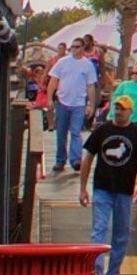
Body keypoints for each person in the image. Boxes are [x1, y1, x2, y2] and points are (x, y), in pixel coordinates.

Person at [80, 100, 137, 275]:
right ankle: (96, 270)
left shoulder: (136, 133)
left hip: (125, 190)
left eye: (123, 109)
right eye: (117, 108)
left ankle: (113, 272)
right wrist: (82, 187)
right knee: (99, 229)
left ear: (131, 112)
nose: (118, 112)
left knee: (122, 232)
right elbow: (88, 157)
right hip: (102, 187)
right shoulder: (103, 130)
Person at [47, 40, 102, 180]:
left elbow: (91, 86)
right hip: (62, 102)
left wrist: (91, 104)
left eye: (77, 47)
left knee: (76, 132)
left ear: (83, 48)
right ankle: (60, 160)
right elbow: (53, 80)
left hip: (79, 103)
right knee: (61, 132)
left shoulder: (87, 65)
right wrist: (49, 99)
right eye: (72, 47)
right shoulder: (63, 62)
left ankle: (76, 160)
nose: (74, 49)